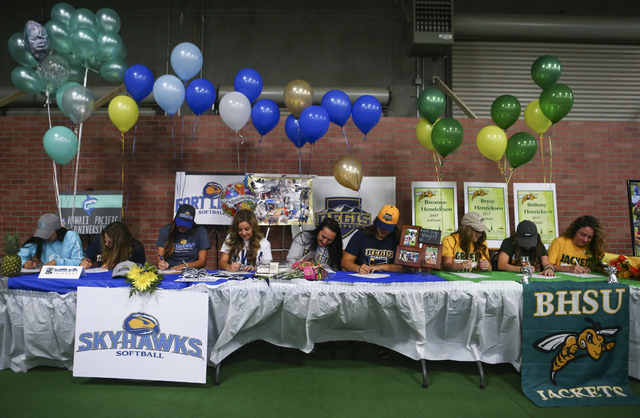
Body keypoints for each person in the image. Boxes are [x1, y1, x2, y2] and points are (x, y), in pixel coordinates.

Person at [341, 205, 402, 273]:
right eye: (381, 225)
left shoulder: (399, 239)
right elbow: (345, 261)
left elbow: (407, 268)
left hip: (390, 279)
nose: (383, 230)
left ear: (395, 226)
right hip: (364, 278)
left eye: (388, 227)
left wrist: (381, 267)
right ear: (376, 221)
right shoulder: (361, 235)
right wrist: (358, 268)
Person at [156, 204, 210, 271]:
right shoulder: (166, 230)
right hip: (170, 270)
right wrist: (161, 263)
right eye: (179, 224)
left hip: (191, 271)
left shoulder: (200, 231)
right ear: (175, 220)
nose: (182, 228)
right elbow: (160, 256)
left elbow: (202, 262)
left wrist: (185, 266)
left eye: (186, 225)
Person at [18, 213, 83, 268]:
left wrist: (56, 262)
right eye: (42, 234)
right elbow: (18, 257)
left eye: (48, 234)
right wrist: (24, 264)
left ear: (57, 231)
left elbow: (78, 261)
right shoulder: (39, 239)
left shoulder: (71, 236)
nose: (45, 238)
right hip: (45, 276)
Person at [81, 222, 146, 270]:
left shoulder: (136, 247)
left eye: (110, 242)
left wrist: (118, 266)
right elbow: (88, 258)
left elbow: (139, 268)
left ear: (120, 243)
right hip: (102, 278)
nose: (106, 244)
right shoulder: (99, 240)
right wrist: (85, 262)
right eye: (105, 240)